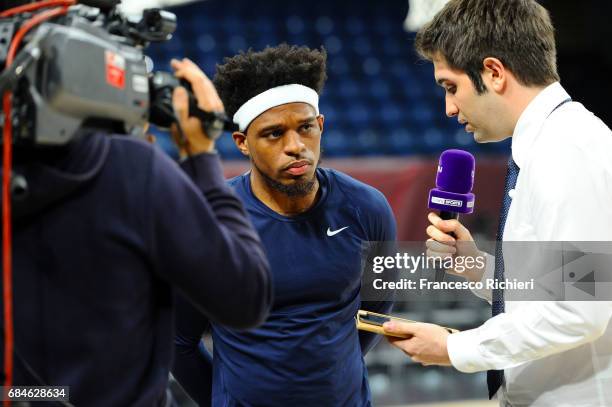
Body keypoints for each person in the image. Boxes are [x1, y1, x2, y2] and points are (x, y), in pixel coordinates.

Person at [2, 42, 272, 407]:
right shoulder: (134, 170)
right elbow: (244, 299)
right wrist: (201, 158)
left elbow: (377, 294)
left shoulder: (366, 207)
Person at [381, 0, 612, 406]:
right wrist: (476, 265)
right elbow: (554, 289)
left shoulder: (567, 149)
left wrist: (455, 349)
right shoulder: (550, 143)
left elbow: (579, 310)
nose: (449, 108)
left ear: (493, 72)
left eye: (451, 87)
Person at [172, 44, 397, 407]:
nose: (296, 146)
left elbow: (378, 308)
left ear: (320, 125)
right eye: (274, 134)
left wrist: (336, 373)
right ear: (242, 143)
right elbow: (178, 342)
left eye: (305, 127)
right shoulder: (210, 219)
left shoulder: (368, 208)